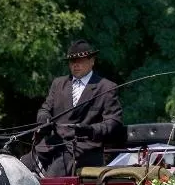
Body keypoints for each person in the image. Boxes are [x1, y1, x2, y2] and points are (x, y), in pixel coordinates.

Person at [21, 39, 123, 177]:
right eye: (72, 61)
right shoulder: (58, 84)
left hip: (84, 149)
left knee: (52, 178)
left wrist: (91, 130)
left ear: (92, 60)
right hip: (52, 144)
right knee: (20, 168)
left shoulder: (106, 87)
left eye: (80, 60)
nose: (75, 65)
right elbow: (45, 109)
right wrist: (43, 120)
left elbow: (114, 123)